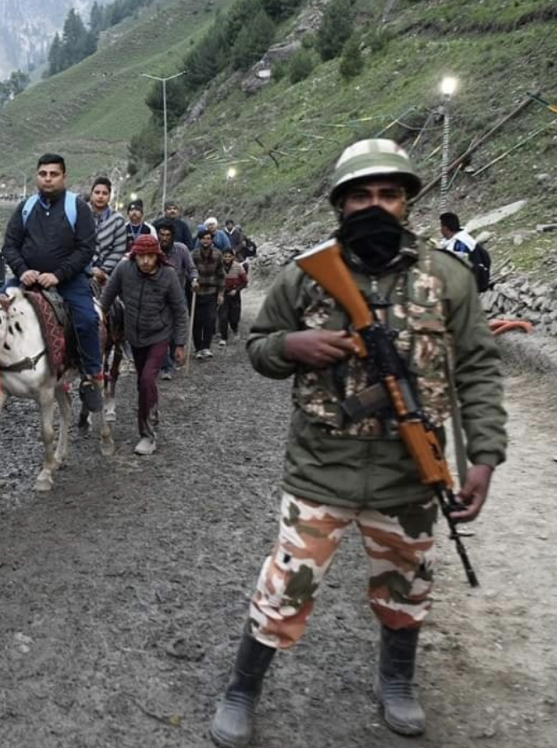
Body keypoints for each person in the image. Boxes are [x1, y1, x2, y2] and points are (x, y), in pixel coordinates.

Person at [208, 139, 507, 748]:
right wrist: (292, 347)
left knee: (407, 585)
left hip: (409, 473)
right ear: (341, 205)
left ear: (407, 202)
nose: (376, 205)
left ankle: (397, 681)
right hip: (321, 468)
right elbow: (258, 347)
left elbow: (476, 367)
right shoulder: (304, 277)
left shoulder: (446, 277)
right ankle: (242, 690)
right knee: (285, 585)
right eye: (362, 195)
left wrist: (484, 455)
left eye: (389, 194)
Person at [1, 153, 104, 412]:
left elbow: (85, 248)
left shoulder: (76, 207)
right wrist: (23, 270)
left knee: (87, 319)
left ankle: (91, 376)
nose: (48, 179)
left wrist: (58, 274)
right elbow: (10, 245)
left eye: (53, 174)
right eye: (43, 174)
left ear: (64, 177)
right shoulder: (25, 208)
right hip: (28, 278)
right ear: (37, 176)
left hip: (67, 280)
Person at [98, 235, 186, 456]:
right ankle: (152, 412)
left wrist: (180, 343)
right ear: (134, 256)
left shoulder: (169, 275)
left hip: (159, 335)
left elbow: (179, 311)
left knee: (147, 379)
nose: (146, 261)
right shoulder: (124, 270)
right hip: (134, 337)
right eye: (141, 256)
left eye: (150, 256)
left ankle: (148, 435)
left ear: (158, 256)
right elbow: (106, 298)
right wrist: (97, 323)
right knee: (143, 383)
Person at [153, 219, 197, 380]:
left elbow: (191, 269)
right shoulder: (153, 250)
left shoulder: (182, 249)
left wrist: (194, 280)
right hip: (157, 297)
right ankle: (165, 366)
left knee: (178, 327)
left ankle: (174, 354)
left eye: (167, 235)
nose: (164, 238)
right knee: (161, 331)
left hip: (177, 296)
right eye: (161, 234)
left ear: (173, 236)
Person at [190, 228, 223, 359]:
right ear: (199, 240)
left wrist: (221, 293)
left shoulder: (217, 254)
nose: (206, 241)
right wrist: (192, 282)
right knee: (197, 321)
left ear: (212, 240)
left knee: (209, 320)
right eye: (203, 238)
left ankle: (206, 347)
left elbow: (221, 274)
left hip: (211, 292)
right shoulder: (193, 255)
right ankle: (198, 348)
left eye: (208, 238)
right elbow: (189, 272)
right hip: (196, 293)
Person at [88, 176, 127, 286]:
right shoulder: (81, 214)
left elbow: (118, 250)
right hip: (80, 268)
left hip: (106, 272)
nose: (100, 196)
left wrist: (103, 270)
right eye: (97, 192)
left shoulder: (117, 219)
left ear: (109, 197)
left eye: (105, 193)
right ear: (91, 194)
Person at [215, 247, 248, 347]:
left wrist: (236, 290)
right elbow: (214, 280)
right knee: (223, 316)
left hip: (234, 294)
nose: (227, 258)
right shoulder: (218, 267)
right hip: (223, 293)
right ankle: (223, 337)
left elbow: (245, 281)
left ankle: (235, 328)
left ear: (233, 257)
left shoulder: (238, 267)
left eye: (229, 256)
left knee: (234, 316)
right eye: (225, 256)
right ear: (222, 257)